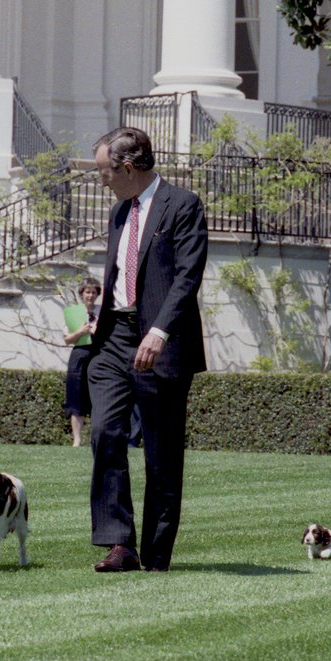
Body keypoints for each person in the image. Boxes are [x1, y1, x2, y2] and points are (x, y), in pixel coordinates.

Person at [86, 126, 208, 573]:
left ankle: (156, 556)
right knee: (105, 433)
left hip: (161, 342)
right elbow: (120, 272)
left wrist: (159, 331)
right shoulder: (120, 212)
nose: (102, 181)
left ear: (129, 167)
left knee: (161, 452)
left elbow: (187, 276)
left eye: (104, 172)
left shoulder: (184, 206)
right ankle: (120, 544)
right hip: (113, 340)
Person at [62, 276, 101, 447]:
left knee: (98, 397)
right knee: (76, 397)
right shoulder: (73, 313)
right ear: (81, 294)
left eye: (93, 292)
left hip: (98, 354)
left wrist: (98, 330)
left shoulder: (103, 311)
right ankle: (77, 440)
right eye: (87, 292)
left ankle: (97, 438)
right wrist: (81, 331)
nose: (90, 296)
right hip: (79, 356)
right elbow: (67, 340)